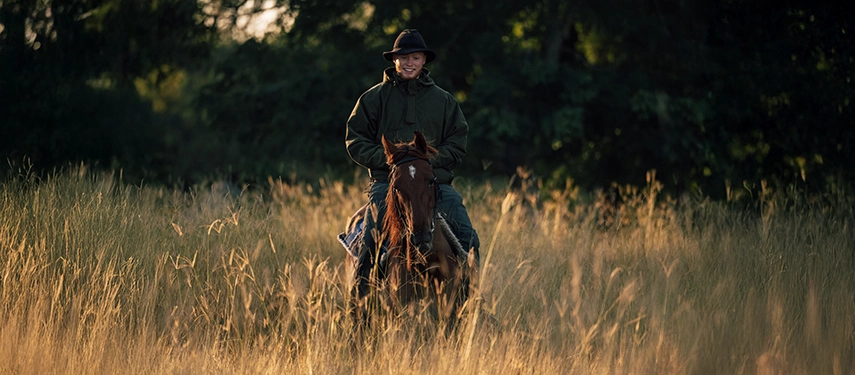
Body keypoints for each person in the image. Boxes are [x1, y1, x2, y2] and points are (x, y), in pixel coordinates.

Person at [345, 29, 480, 299]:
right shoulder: (372, 98)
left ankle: (472, 301)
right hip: (389, 184)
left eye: (415, 58)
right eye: (403, 57)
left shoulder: (444, 101)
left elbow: (458, 141)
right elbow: (355, 139)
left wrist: (427, 161)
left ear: (423, 61)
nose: (409, 63)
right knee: (371, 236)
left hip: (435, 184)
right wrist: (391, 160)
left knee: (469, 238)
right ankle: (358, 301)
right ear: (394, 60)